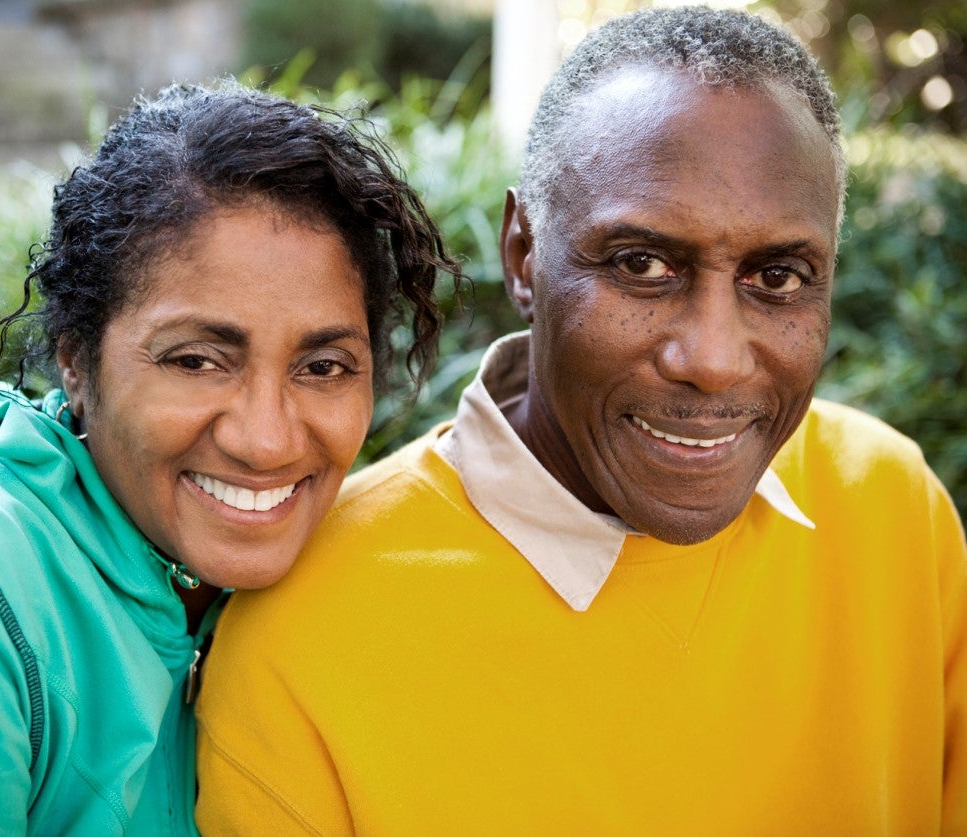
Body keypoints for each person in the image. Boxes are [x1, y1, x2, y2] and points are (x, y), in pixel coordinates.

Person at [195, 7, 967, 835]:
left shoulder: (892, 511)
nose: (712, 357)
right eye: (641, 264)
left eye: (776, 277)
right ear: (524, 255)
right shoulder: (304, 642)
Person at [0, 79, 459, 834]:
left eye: (323, 367)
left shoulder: (347, 576)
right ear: (77, 360)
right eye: (198, 360)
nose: (266, 439)